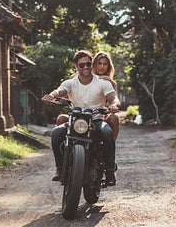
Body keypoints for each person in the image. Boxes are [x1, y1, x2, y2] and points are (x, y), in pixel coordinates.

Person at [42, 49, 120, 186]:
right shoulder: (71, 82)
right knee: (55, 133)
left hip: (97, 119)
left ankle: (109, 170)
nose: (85, 67)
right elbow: (60, 90)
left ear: (92, 64)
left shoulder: (102, 82)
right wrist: (51, 96)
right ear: (76, 66)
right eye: (81, 65)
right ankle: (60, 169)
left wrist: (114, 105)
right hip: (75, 120)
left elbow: (114, 98)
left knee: (107, 132)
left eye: (88, 64)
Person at [55, 51, 120, 140]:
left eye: (105, 64)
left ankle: (111, 146)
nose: (101, 67)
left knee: (113, 119)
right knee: (60, 119)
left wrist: (113, 104)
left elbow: (113, 99)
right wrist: (57, 97)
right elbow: (64, 92)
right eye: (99, 63)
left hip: (97, 116)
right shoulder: (76, 78)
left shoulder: (106, 82)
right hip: (79, 115)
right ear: (94, 64)